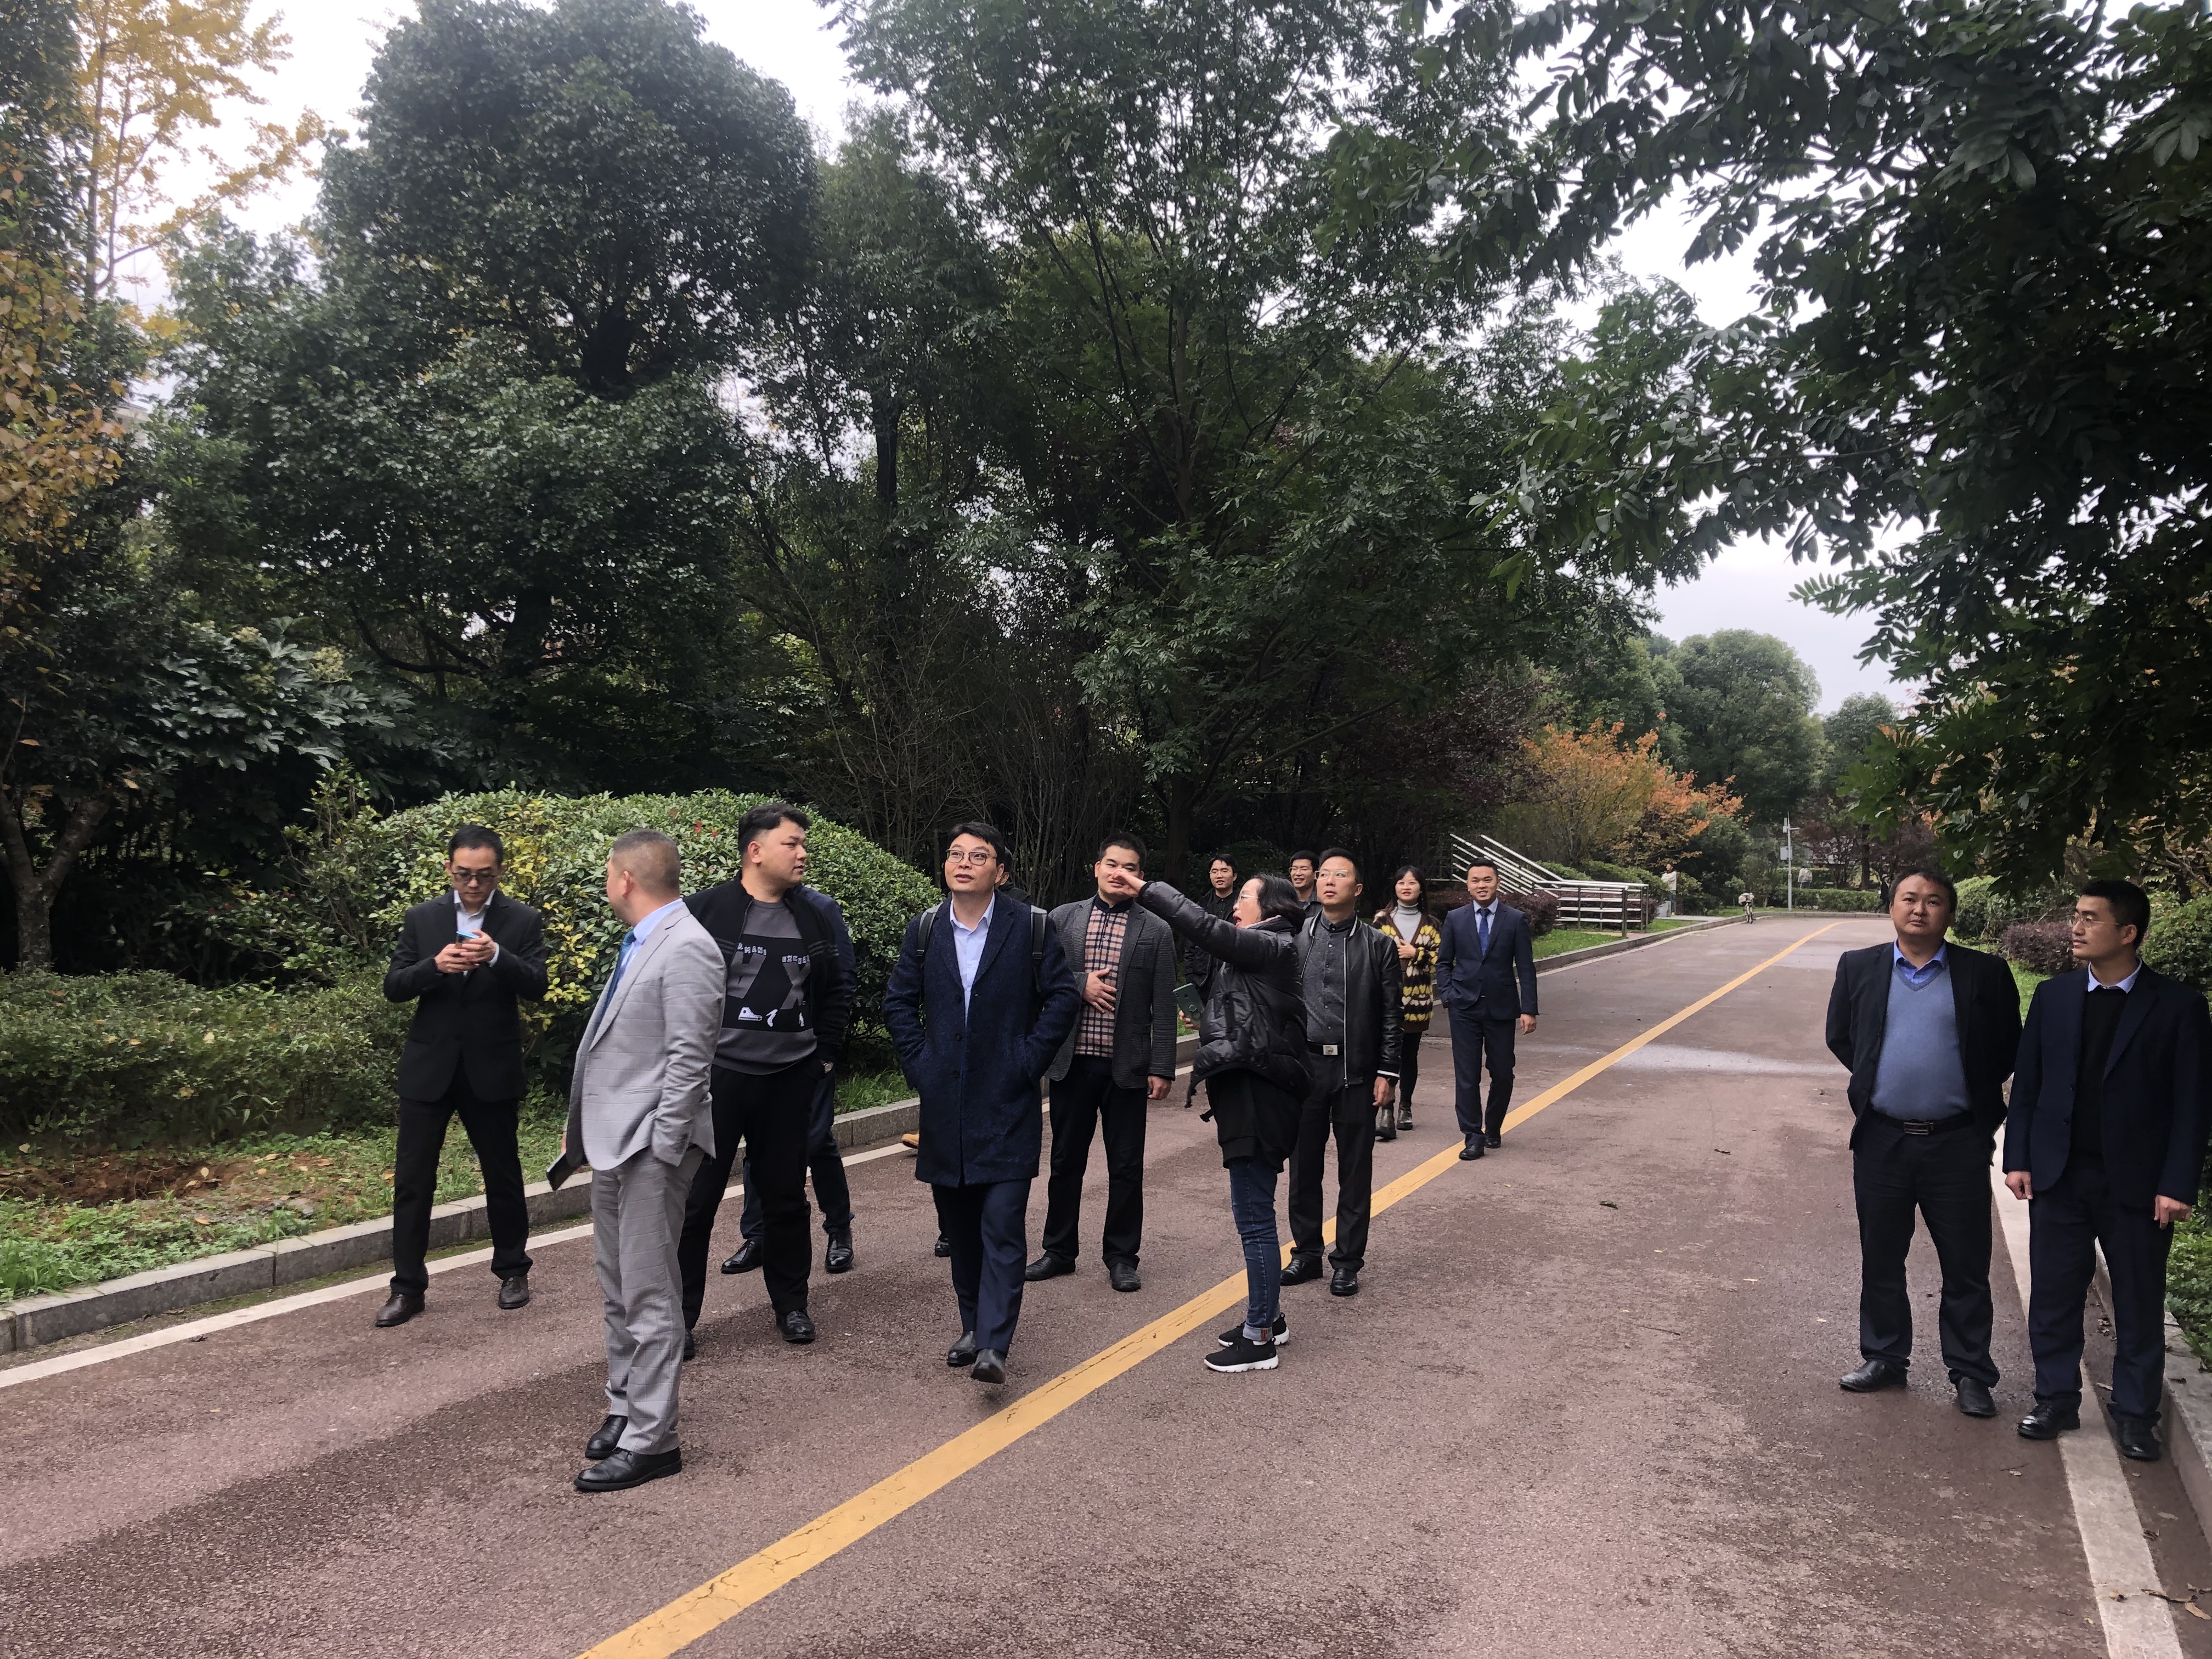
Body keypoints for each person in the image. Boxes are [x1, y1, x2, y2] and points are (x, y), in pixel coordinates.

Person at [2004, 879, 2212, 1459]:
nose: (2076, 927)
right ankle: (2055, 1399)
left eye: (2091, 918)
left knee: (2139, 1303)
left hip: (2138, 1186)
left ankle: (2136, 1416)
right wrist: (2018, 1157)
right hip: (2060, 1176)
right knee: (2053, 1295)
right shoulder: (2054, 996)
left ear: (2128, 933)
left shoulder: (2178, 1006)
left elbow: (2193, 1105)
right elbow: (2029, 1085)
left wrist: (2176, 1183)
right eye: (2076, 915)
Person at [551, 829, 723, 1493]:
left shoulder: (688, 946)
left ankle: (654, 1441)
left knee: (650, 1293)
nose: (606, 883)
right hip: (614, 1142)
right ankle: (625, 1408)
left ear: (625, 878)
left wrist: (663, 1148)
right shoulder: (644, 940)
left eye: (607, 873)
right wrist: (581, 1132)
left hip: (651, 1148)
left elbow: (690, 1060)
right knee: (618, 1286)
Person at [883, 821, 1081, 1385]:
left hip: (1008, 1102)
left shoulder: (1030, 926)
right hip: (946, 1106)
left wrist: (1027, 1060)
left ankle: (995, 1343)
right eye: (955, 854)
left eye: (978, 855)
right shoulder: (925, 928)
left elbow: (1063, 996)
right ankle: (972, 1325)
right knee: (962, 1230)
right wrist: (922, 1065)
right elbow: (898, 1002)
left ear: (1001, 871)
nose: (964, 863)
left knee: (1002, 1224)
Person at [1824, 867, 2021, 1417]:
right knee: (1882, 1257)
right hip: (1883, 1139)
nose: (1920, 909)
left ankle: (1971, 1372)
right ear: (1891, 907)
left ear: (1949, 914)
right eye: (1909, 899)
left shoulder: (1984, 973)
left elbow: (2007, 1047)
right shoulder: (1859, 967)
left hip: (1955, 1142)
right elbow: (1841, 1035)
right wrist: (1879, 1077)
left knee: (1966, 1263)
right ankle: (1885, 1357)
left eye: (1934, 901)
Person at [1107, 862, 1310, 1372]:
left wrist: (1147, 889)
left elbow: (1205, 927)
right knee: (1253, 1212)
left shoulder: (1273, 944)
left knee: (1254, 1218)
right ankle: (1271, 1318)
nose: (1236, 905)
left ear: (1271, 908)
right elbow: (1246, 1014)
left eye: (1245, 897)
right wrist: (1208, 1013)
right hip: (1248, 1087)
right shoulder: (1264, 949)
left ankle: (1259, 1337)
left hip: (1259, 1094)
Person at [674, 804, 854, 1357]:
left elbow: (837, 989)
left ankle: (792, 1305)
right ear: (755, 851)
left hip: (789, 1079)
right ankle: (678, 1318)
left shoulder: (815, 917)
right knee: (695, 1203)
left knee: (786, 1200)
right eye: (791, 844)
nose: (803, 854)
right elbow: (669, 986)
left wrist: (821, 1058)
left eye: (803, 844)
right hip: (717, 1080)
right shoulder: (704, 912)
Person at [376, 825, 549, 1329]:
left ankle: (513, 1271)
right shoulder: (423, 918)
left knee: (503, 1174)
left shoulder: (522, 920)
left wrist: (497, 956)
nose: (474, 885)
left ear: (500, 872)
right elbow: (395, 986)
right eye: (464, 875)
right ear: (449, 869)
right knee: (413, 1181)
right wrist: (435, 966)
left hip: (491, 1066)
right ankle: (407, 1287)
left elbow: (537, 985)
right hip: (429, 1068)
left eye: (485, 876)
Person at [1029, 833, 1178, 1292]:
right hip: (1072, 1063)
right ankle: (1059, 1251)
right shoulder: (1062, 919)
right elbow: (1040, 980)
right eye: (1112, 864)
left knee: (1127, 1168)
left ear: (1140, 877)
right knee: (1065, 1162)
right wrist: (1081, 985)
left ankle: (1121, 1257)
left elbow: (1164, 1004)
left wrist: (1163, 1066)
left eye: (1129, 867)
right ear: (1096, 868)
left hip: (1126, 1067)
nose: (1119, 873)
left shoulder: (1156, 929)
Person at [721, 880, 860, 1279]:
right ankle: (758, 1235)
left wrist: (826, 1051)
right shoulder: (736, 906)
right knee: (758, 1145)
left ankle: (839, 1228)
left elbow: (842, 980)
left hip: (806, 1054)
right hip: (748, 1054)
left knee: (815, 1140)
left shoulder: (820, 908)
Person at [1283, 850, 1401, 1297]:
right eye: (1324, 874)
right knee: (1302, 1168)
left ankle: (1347, 1261)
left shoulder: (1378, 945)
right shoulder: (1297, 937)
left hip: (1356, 1071)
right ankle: (1306, 1253)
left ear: (1358, 888)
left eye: (1340, 874)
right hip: (1306, 1067)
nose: (1329, 880)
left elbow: (1391, 1015)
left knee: (1354, 1170)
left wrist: (1388, 1072)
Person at [1436, 859, 1538, 1160]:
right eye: (1476, 880)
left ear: (1497, 883)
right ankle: (1472, 1135)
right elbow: (1444, 963)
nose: (1482, 885)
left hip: (1501, 1008)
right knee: (1467, 1075)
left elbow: (1526, 967)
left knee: (1503, 1073)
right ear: (1468, 886)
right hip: (1463, 1007)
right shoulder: (1455, 918)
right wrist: (1448, 995)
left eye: (1487, 880)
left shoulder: (1515, 919)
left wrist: (1529, 1009)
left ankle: (1493, 1127)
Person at [1374, 865, 1440, 1139]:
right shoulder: (1381, 921)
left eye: (1412, 883)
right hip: (1385, 1001)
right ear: (1395, 887)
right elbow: (1370, 956)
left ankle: (1406, 1106)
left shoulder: (1431, 924)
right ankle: (1386, 1109)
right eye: (1401, 882)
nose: (1406, 887)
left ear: (1421, 889)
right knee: (1387, 1054)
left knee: (1409, 1057)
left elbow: (1441, 961)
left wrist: (1417, 954)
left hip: (1417, 1003)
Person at [1289, 851, 1321, 919]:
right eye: (1294, 869)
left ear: (1316, 874)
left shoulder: (1323, 902)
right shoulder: (1284, 899)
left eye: (1304, 869)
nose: (1298, 873)